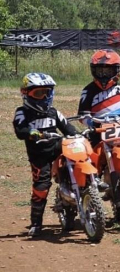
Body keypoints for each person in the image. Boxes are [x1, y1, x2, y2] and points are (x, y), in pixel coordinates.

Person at [12, 73, 77, 236]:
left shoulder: (54, 112)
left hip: (58, 149)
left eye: (47, 92)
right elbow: (20, 130)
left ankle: (84, 197)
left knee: (78, 164)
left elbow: (69, 129)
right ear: (26, 93)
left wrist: (78, 135)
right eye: (38, 93)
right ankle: (36, 223)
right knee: (41, 186)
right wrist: (32, 132)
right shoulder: (22, 112)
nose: (44, 97)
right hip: (39, 156)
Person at [77, 49, 120, 193]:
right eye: (100, 70)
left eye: (108, 71)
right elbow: (82, 115)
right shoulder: (88, 91)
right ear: (93, 71)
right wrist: (91, 124)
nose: (103, 74)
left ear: (116, 71)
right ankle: (92, 184)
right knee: (88, 156)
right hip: (98, 131)